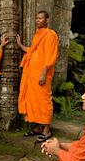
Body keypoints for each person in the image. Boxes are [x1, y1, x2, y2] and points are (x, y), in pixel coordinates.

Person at [16, 11, 58, 142]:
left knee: (44, 100)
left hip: (41, 73)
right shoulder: (37, 35)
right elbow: (33, 51)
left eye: (40, 18)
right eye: (36, 18)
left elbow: (50, 56)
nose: (37, 20)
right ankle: (38, 128)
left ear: (47, 20)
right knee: (33, 100)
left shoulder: (50, 35)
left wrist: (44, 73)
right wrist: (20, 45)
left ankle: (46, 131)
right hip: (31, 72)